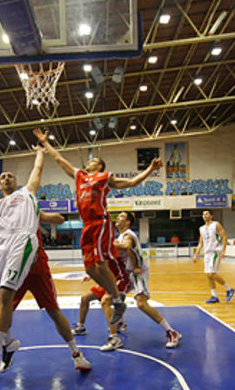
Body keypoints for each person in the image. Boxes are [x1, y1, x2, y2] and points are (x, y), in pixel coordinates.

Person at [0, 131, 90, 387]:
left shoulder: (28, 197)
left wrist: (40, 150)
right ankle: (5, 347)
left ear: (16, 181)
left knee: (52, 309)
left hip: (33, 261)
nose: (6, 178)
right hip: (7, 253)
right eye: (2, 176)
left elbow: (54, 215)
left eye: (9, 174)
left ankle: (76, 353)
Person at [38, 132, 162, 325]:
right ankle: (117, 298)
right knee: (90, 269)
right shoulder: (79, 176)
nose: (90, 162)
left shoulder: (104, 177)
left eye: (94, 160)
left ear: (100, 166)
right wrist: (46, 143)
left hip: (100, 222)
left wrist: (150, 169)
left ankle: (117, 299)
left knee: (101, 264)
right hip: (86, 225)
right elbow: (59, 159)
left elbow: (131, 182)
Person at [102, 211, 180, 351]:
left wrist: (108, 244)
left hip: (138, 273)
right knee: (107, 299)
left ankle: (172, 332)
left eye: (121, 216)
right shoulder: (120, 236)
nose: (118, 218)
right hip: (128, 273)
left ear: (128, 222)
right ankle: (120, 323)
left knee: (142, 304)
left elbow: (127, 247)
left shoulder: (128, 235)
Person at [192, 210, 234, 303]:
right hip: (207, 253)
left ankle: (229, 289)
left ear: (211, 216)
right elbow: (201, 243)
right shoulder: (201, 228)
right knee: (208, 275)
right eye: (203, 214)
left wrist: (223, 251)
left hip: (215, 252)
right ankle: (214, 296)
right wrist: (196, 254)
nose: (204, 215)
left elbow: (225, 236)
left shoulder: (216, 225)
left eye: (206, 214)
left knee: (212, 273)